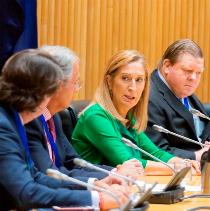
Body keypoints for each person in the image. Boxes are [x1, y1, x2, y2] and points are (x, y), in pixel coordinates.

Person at [0, 49, 125, 210]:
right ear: (43, 93)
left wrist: (93, 188)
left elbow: (36, 177)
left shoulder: (12, 119)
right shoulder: (4, 126)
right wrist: (96, 199)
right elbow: (26, 192)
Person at [72, 50, 200, 175]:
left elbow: (155, 153)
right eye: (125, 78)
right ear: (109, 81)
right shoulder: (95, 117)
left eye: (139, 80)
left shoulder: (128, 118)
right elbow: (127, 162)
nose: (132, 88)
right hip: (94, 189)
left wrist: (183, 162)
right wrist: (176, 168)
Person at [25, 45, 143, 181]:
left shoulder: (53, 117)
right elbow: (50, 174)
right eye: (75, 82)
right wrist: (100, 181)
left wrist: (115, 172)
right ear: (56, 84)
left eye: (139, 80)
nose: (77, 89)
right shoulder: (30, 122)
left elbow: (74, 162)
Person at [145, 39, 210, 161]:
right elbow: (157, 150)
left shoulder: (183, 91)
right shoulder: (150, 97)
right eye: (188, 71)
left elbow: (206, 132)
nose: (193, 78)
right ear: (167, 66)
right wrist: (197, 156)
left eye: (198, 73)